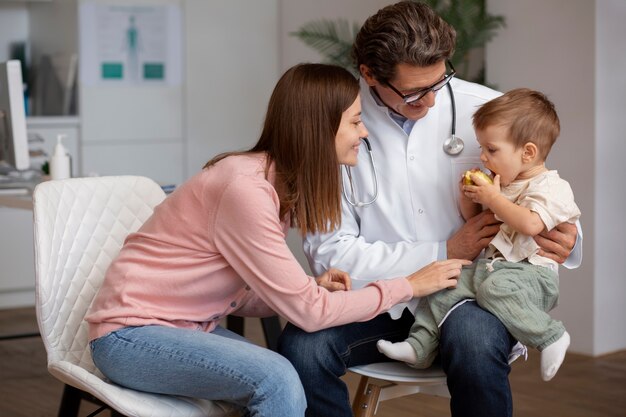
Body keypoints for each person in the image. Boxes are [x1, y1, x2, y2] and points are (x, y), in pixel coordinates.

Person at [85, 63, 470, 417]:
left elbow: (230, 291)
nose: (364, 132)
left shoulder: (273, 184)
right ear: (319, 129)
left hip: (180, 328)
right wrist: (408, 285)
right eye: (355, 122)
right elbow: (310, 313)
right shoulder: (246, 190)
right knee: (276, 379)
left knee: (284, 376)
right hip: (130, 338)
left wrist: (306, 287)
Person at [278, 3, 582, 417]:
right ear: (369, 74)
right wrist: (442, 252)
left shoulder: (491, 112)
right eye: (414, 93)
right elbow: (329, 253)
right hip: (379, 300)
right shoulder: (337, 127)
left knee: (474, 341)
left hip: (475, 295)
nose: (431, 100)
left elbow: (544, 190)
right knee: (302, 347)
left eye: (439, 82)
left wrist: (567, 238)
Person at [377, 88, 581, 382]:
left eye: (492, 150)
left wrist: (495, 198)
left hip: (531, 276)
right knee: (445, 285)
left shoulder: (551, 187)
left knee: (494, 290)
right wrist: (469, 197)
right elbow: (477, 221)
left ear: (528, 152)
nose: (483, 156)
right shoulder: (504, 185)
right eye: (482, 149)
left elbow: (530, 225)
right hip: (493, 269)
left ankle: (551, 336)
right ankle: (419, 347)